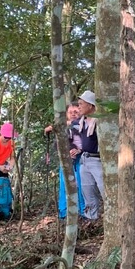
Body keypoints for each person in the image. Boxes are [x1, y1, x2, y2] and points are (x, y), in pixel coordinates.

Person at [45, 102, 86, 219]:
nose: (73, 114)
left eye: (76, 112)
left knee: (81, 186)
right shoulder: (63, 129)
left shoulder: (84, 124)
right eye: (71, 112)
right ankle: (64, 213)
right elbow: (56, 146)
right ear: (67, 114)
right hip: (66, 161)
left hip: (81, 161)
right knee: (65, 187)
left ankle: (83, 212)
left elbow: (88, 142)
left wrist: (79, 150)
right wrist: (66, 152)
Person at [76, 90, 106, 220]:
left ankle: (113, 216)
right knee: (87, 191)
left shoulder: (100, 121)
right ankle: (91, 219)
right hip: (84, 159)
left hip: (97, 160)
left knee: (104, 188)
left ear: (90, 105)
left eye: (81, 104)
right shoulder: (82, 122)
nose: (79, 107)